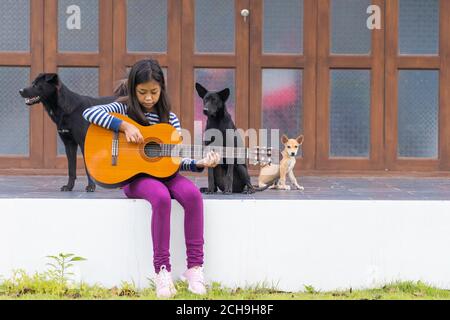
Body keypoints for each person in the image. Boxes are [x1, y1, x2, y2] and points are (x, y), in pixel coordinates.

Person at [82, 59, 220, 298]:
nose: (148, 98)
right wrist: (124, 127)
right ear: (134, 89)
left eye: (154, 92)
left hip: (165, 174)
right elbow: (89, 112)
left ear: (162, 90)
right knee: (161, 197)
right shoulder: (123, 109)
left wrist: (198, 163)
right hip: (134, 178)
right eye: (142, 92)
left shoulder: (170, 119)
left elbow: (175, 158)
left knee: (193, 195)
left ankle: (194, 268)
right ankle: (162, 270)